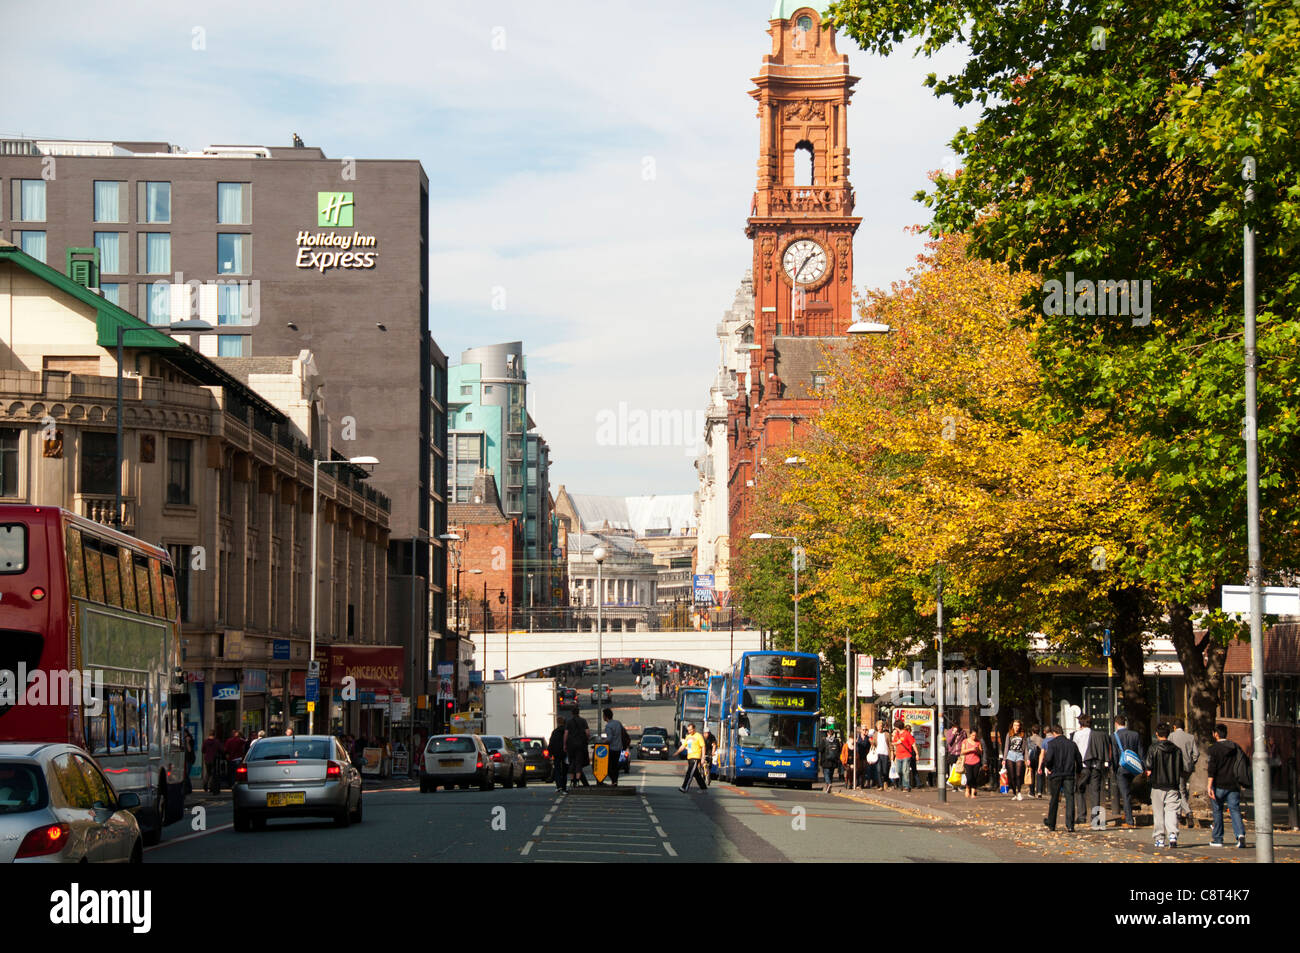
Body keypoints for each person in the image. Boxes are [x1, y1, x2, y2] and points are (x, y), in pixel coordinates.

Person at [1145, 722, 1187, 848]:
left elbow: (1148, 767)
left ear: (1157, 734)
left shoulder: (1153, 748)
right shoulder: (1177, 750)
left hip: (1157, 785)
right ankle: (1173, 834)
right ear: (1168, 734)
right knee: (1172, 811)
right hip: (1173, 785)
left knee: (1158, 813)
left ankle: (1159, 838)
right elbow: (1180, 768)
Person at [1205, 724, 1247, 849]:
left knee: (1217, 811)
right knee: (1234, 810)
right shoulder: (1235, 747)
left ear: (1215, 734)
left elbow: (1212, 769)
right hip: (1233, 785)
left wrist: (1209, 786)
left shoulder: (1214, 749)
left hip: (1219, 785)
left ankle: (1218, 838)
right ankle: (1240, 835)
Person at [1041, 724, 1082, 832]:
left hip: (1056, 773)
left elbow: (1048, 759)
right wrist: (1078, 771)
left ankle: (1051, 823)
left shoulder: (1052, 744)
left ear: (1054, 733)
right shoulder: (1072, 744)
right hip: (1069, 773)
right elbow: (1078, 758)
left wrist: (1048, 767)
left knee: (1054, 798)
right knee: (1070, 798)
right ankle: (1070, 825)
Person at [1111, 715, 1143, 828]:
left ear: (1116, 723)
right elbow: (1140, 751)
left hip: (1122, 767)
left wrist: (1115, 768)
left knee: (1125, 794)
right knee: (1129, 792)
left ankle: (1129, 820)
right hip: (1133, 767)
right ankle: (1127, 814)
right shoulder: (1135, 735)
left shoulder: (1114, 736)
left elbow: (1115, 755)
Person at [1168, 718, 1198, 828]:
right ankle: (1179, 813)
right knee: (1182, 789)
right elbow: (1196, 753)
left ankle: (1188, 811)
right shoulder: (1190, 737)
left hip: (1176, 767)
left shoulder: (1171, 736)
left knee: (1179, 790)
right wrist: (1191, 761)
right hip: (1188, 768)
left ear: (1174, 727)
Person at [676, 723, 708, 792]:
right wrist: (677, 752)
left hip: (696, 757)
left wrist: (703, 758)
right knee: (696, 774)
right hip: (690, 757)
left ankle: (684, 787)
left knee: (689, 772)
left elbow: (703, 746)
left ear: (694, 729)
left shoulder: (699, 736)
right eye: (688, 730)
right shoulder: (688, 736)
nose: (689, 731)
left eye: (690, 730)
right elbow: (683, 746)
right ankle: (703, 788)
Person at [564, 709, 591, 788]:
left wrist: (564, 744)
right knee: (578, 762)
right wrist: (587, 739)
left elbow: (566, 734)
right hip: (580, 745)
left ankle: (572, 781)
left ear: (572, 713)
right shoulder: (583, 721)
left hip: (571, 745)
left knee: (571, 762)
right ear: (578, 713)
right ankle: (578, 780)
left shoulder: (569, 722)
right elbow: (587, 732)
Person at [1002, 720, 1027, 800]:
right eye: (1015, 725)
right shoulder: (1009, 734)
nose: (1016, 727)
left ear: (1020, 726)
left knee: (1018, 774)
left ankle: (1019, 792)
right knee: (1012, 775)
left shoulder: (1023, 735)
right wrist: (1004, 759)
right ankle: (1014, 793)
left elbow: (1025, 747)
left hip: (1019, 755)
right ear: (1012, 726)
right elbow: (1006, 747)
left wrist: (1027, 758)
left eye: (1018, 725)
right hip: (1010, 755)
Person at [891, 720, 916, 792]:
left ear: (897, 727)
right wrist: (897, 742)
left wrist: (916, 753)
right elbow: (893, 743)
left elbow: (913, 744)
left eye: (895, 727)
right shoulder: (897, 734)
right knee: (899, 771)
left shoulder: (907, 734)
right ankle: (901, 784)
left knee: (905, 771)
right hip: (898, 755)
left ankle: (906, 786)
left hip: (906, 755)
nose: (895, 728)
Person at [603, 708, 624, 786]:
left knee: (608, 767)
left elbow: (609, 738)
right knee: (615, 766)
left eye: (603, 715)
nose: (603, 717)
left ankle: (613, 780)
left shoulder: (608, 726)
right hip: (619, 747)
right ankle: (615, 782)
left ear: (606, 716)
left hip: (612, 748)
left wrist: (602, 742)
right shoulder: (618, 723)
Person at [960, 728, 983, 798]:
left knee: (975, 777)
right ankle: (967, 789)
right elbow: (962, 751)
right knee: (969, 777)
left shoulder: (978, 742)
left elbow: (981, 752)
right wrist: (971, 749)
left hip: (976, 761)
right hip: (967, 762)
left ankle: (973, 793)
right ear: (970, 735)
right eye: (973, 735)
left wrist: (978, 750)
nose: (974, 737)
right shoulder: (965, 741)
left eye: (975, 735)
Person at [818, 729, 843, 793]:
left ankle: (828, 784)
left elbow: (820, 749)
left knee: (826, 773)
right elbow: (839, 750)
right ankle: (828, 788)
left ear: (827, 734)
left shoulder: (824, 740)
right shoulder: (836, 741)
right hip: (833, 761)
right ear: (833, 734)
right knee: (831, 774)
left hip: (825, 761)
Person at [548, 719, 568, 792]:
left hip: (556, 753)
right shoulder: (566, 731)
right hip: (565, 753)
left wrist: (550, 753)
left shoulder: (555, 732)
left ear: (558, 723)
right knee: (565, 770)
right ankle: (564, 787)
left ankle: (558, 785)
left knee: (557, 769)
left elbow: (551, 742)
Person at [1026, 724, 1043, 798]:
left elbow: (1026, 750)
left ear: (1032, 731)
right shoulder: (1042, 739)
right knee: (1039, 774)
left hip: (1031, 759)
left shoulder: (1028, 739)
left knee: (1031, 774)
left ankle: (1032, 792)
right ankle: (1039, 791)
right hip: (1039, 758)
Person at [875, 720, 891, 789]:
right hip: (878, 754)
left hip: (885, 754)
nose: (879, 728)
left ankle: (885, 781)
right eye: (878, 726)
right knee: (878, 770)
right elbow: (873, 744)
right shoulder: (875, 734)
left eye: (881, 726)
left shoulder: (887, 734)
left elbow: (890, 744)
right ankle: (880, 785)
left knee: (885, 770)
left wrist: (892, 753)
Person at [183, 729, 196, 795]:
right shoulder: (182, 740)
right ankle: (187, 788)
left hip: (189, 759)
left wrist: (187, 742)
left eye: (185, 733)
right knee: (185, 775)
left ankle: (189, 788)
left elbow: (189, 750)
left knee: (187, 774)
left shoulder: (190, 740)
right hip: (184, 759)